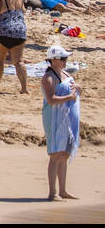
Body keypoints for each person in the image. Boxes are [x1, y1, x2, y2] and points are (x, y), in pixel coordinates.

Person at [41, 44, 81, 201]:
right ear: (54, 60)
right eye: (63, 58)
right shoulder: (48, 77)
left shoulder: (64, 72)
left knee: (64, 154)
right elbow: (51, 100)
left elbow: (77, 90)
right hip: (54, 118)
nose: (66, 61)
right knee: (55, 154)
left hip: (68, 117)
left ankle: (63, 191)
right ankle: (52, 193)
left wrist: (78, 87)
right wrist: (68, 98)